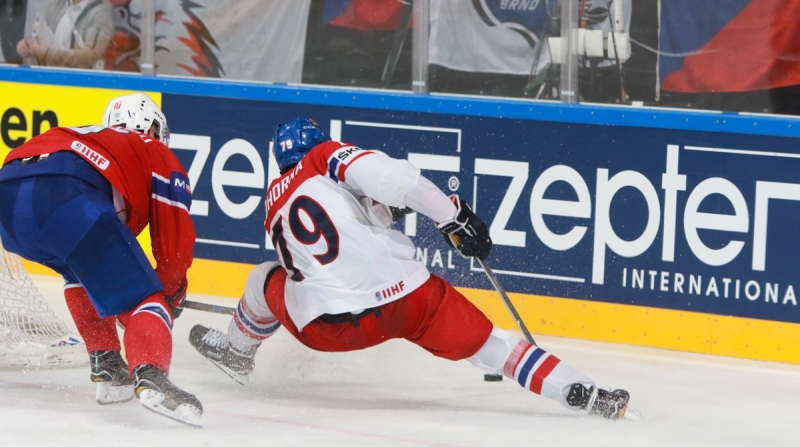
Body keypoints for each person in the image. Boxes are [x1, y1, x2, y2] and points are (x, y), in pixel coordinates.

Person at [189, 117, 630, 419]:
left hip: (329, 328)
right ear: (316, 141)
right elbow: (397, 180)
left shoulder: (273, 202)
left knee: (264, 276)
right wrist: (453, 218)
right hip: (407, 301)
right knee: (493, 346)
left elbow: (323, 249)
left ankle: (237, 349)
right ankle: (584, 393)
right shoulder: (324, 156)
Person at [0, 93, 202, 427]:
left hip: (8, 200)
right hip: (66, 196)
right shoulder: (153, 148)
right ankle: (150, 375)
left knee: (80, 269)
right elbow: (175, 244)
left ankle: (108, 366)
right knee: (142, 299)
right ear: (153, 126)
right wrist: (168, 295)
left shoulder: (95, 137)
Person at [16, 0, 112, 70]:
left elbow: (92, 56)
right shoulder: (57, 4)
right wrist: (29, 47)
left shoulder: (102, 11)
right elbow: (41, 40)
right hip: (49, 79)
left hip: (81, 84)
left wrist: (47, 54)